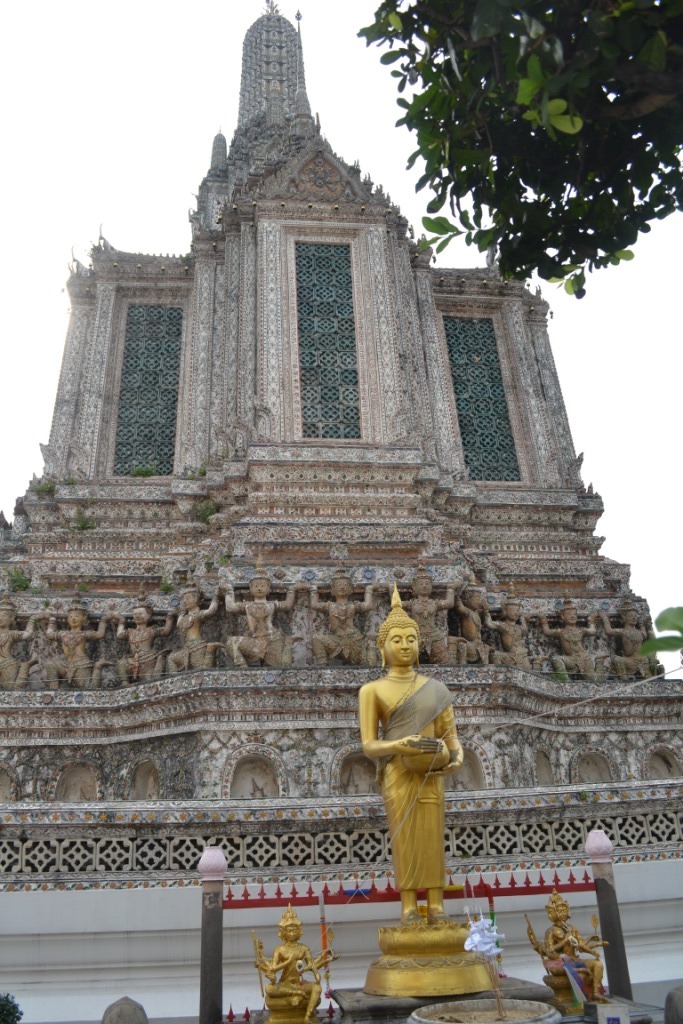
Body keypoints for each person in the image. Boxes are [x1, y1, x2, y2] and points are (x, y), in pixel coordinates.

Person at [359, 587, 463, 926]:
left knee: (432, 836)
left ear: (420, 644)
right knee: (405, 837)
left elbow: (451, 736)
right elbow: (369, 745)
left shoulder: (436, 689)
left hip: (431, 770)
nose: (405, 645)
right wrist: (400, 745)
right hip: (398, 771)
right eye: (397, 639)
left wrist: (455, 757)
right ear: (382, 647)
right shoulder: (372, 690)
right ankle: (408, 906)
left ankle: (436, 905)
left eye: (411, 639)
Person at [254, 905, 325, 1024]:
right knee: (269, 989)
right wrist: (287, 962)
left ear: (299, 931)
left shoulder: (304, 948)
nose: (292, 933)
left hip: (299, 983)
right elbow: (273, 969)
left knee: (317, 988)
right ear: (283, 932)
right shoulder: (279, 950)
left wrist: (315, 970)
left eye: (294, 930)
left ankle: (307, 1016)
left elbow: (312, 965)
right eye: (289, 931)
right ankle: (296, 994)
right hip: (285, 985)